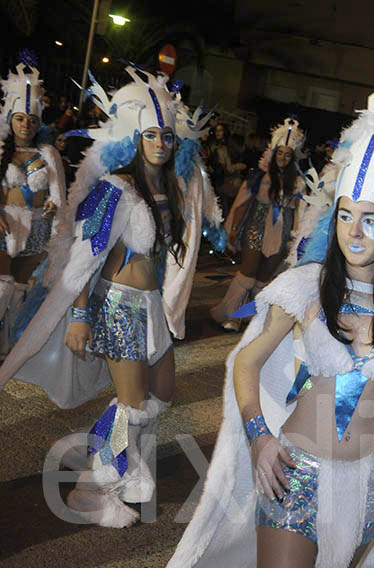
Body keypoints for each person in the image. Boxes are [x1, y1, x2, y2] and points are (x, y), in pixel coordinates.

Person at [159, 55, 374, 568]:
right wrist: (259, 437)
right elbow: (245, 360)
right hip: (299, 476)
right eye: (344, 215)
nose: (354, 232)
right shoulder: (305, 285)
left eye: (371, 219)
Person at [0, 65, 220, 527]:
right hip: (118, 307)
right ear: (135, 138)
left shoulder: (173, 188)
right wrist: (79, 315)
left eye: (167, 136)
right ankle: (93, 492)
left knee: (160, 397)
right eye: (152, 135)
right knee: (132, 405)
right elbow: (82, 257)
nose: (161, 143)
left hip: (151, 308)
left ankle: (107, 466)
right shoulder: (115, 186)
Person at [211, 117, 309, 331]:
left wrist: (296, 240)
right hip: (255, 230)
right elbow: (242, 204)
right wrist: (234, 229)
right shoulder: (260, 177)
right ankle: (233, 315)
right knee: (247, 273)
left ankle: (254, 318)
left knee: (264, 279)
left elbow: (300, 214)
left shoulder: (299, 183)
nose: (283, 158)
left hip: (281, 235)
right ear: (274, 154)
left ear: (293, 158)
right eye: (280, 153)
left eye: (287, 154)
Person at [0, 50, 68, 356]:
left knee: (21, 291)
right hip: (5, 227)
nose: (25, 124)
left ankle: (9, 343)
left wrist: (54, 206)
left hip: (37, 228)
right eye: (19, 118)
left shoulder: (49, 154)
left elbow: (59, 194)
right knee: (2, 285)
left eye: (31, 119)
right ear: (9, 119)